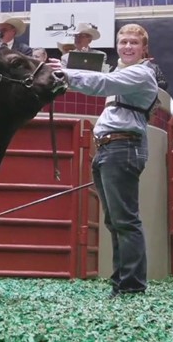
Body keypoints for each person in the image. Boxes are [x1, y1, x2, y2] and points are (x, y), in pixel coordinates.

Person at [51, 24, 160, 297]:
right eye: (123, 42)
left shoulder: (142, 73)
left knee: (125, 220)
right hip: (109, 148)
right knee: (116, 221)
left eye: (134, 42)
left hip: (123, 147)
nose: (127, 46)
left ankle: (132, 285)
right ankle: (121, 282)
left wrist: (64, 74)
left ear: (144, 48)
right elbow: (102, 77)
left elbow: (102, 83)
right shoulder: (122, 72)